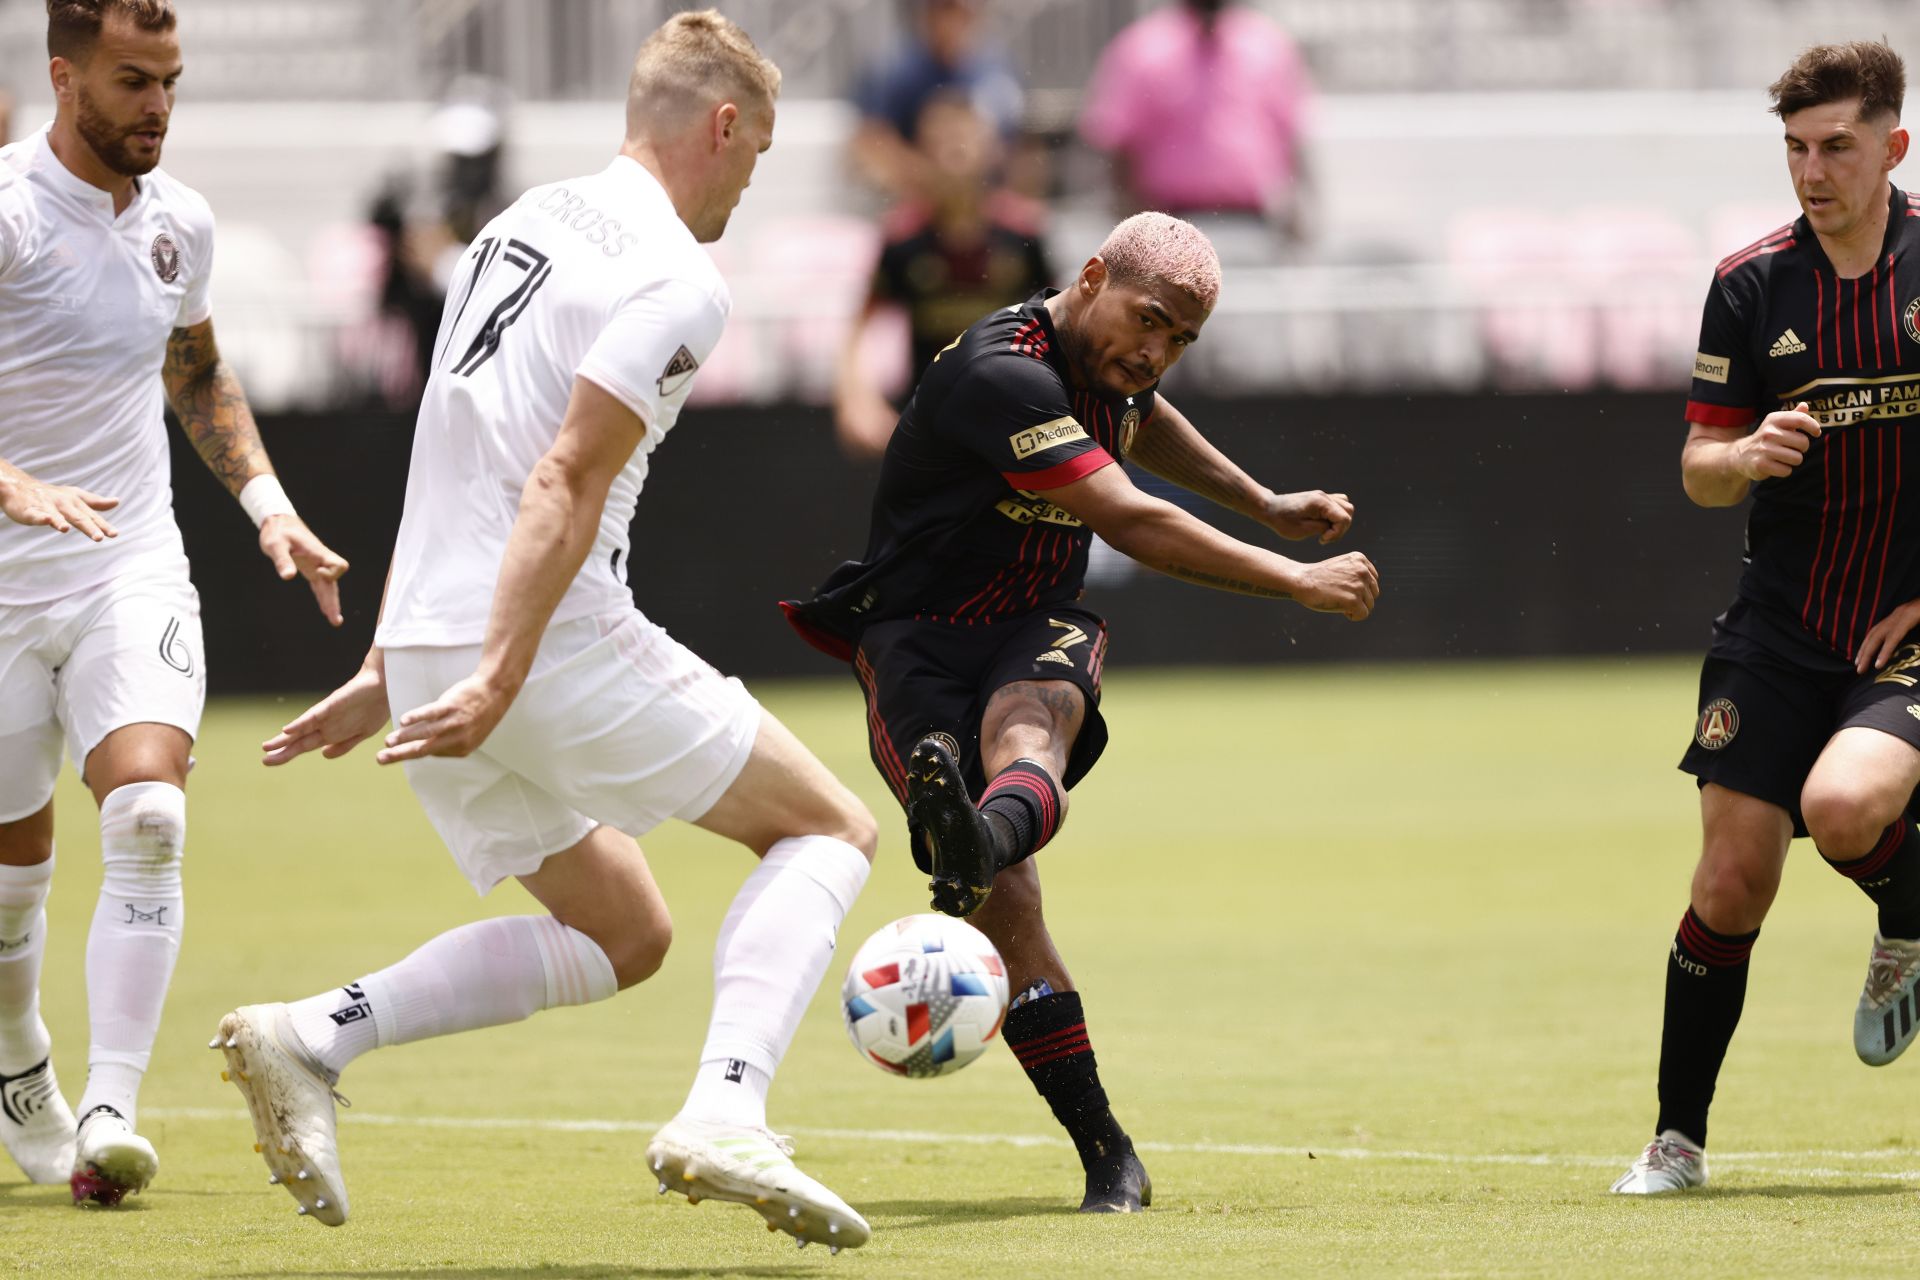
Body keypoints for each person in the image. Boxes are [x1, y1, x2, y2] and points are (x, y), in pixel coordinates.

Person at [213, 12, 877, 1252]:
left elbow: (449, 443)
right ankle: (727, 1110)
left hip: (433, 640)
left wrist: (396, 658)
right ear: (722, 126)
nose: (750, 182)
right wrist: (503, 670)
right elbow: (561, 478)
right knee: (832, 825)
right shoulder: (680, 275)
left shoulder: (514, 222)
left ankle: (314, 1033)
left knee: (625, 929)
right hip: (536, 642)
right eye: (758, 153)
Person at [784, 212, 1378, 1212]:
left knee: (1032, 720)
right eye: (1149, 323)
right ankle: (1107, 1143)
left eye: (1180, 341)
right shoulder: (1000, 375)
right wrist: (1294, 577)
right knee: (1011, 906)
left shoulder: (1111, 367)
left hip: (1033, 619)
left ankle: (972, 839)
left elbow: (1150, 420)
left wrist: (1264, 499)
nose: (1155, 354)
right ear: (1092, 274)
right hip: (916, 639)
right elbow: (1133, 515)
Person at [0, 0, 348, 1207]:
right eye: (133, 80)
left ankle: (110, 1104)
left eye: (171, 81)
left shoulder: (179, 223)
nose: (157, 106)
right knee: (12, 872)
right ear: (66, 76)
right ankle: (17, 1059)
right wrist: (10, 481)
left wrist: (267, 502)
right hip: (2, 580)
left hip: (126, 564)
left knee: (148, 809)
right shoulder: (4, 211)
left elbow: (194, 369)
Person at [1612, 40, 1920, 1195]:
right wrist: (1740, 454)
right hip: (1781, 625)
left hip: (1907, 627)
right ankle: (1676, 1139)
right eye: (1795, 147)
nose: (1813, 169)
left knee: (1843, 807)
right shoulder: (1751, 285)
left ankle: (1901, 901)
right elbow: (1697, 466)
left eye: (1837, 144)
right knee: (1731, 880)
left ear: (1893, 144)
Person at [835, 92, 1053, 456]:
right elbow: (858, 329)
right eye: (942, 142)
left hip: (1015, 423)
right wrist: (857, 400)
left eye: (965, 140)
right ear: (921, 154)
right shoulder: (903, 240)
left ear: (992, 149)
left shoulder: (1024, 235)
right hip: (929, 428)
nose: (955, 153)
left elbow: (1062, 324)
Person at [1079, 0, 1314, 251]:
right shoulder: (1142, 48)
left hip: (1251, 225)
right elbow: (1119, 144)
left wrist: (1300, 207)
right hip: (1169, 231)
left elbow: (1292, 135)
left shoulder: (1268, 45)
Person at [847, 0, 1022, 203]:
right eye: (942, 13)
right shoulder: (894, 70)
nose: (950, 24)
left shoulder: (996, 72)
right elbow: (870, 143)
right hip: (913, 193)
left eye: (959, 15)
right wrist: (929, 177)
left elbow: (1014, 147)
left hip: (979, 198)